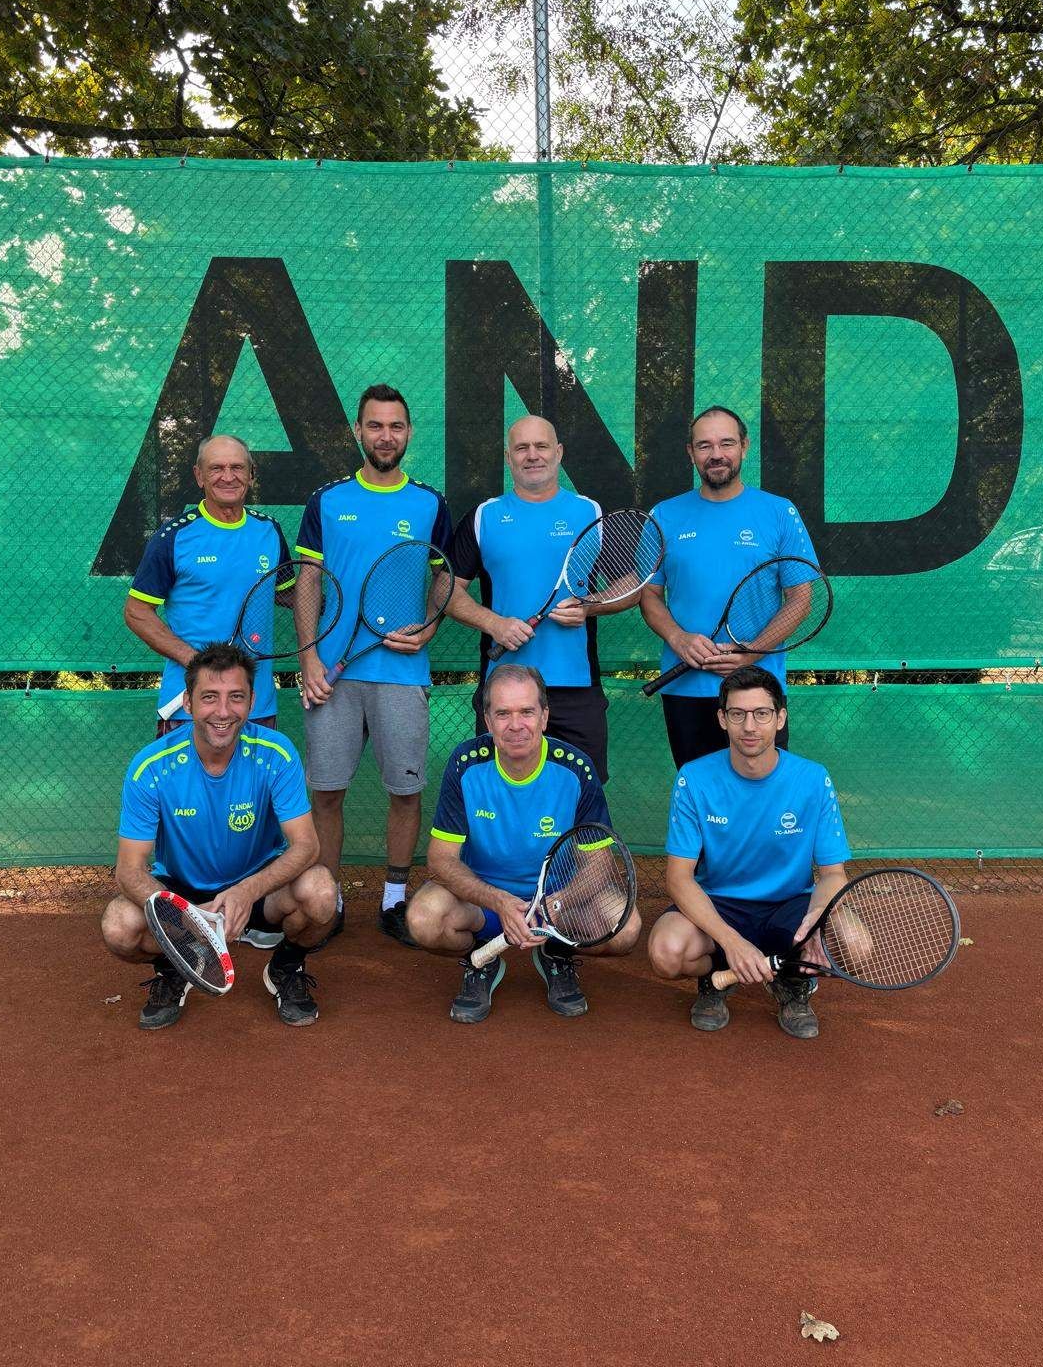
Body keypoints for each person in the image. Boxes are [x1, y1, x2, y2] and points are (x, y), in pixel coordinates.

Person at [100, 643, 339, 1030]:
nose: (224, 712)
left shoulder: (276, 753)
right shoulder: (151, 767)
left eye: (236, 698)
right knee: (119, 926)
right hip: (181, 891)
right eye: (210, 698)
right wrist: (186, 918)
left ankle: (285, 966)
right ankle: (176, 966)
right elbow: (129, 871)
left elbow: (307, 844)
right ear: (189, 703)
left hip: (260, 888)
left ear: (252, 702)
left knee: (322, 892)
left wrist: (247, 891)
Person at [296, 384, 452, 948]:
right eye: (375, 426)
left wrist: (431, 627)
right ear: (358, 432)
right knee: (327, 792)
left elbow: (444, 577)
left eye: (396, 426)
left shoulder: (431, 503)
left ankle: (393, 898)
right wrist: (310, 655)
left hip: (402, 675)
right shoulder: (328, 500)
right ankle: (328, 896)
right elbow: (308, 579)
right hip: (333, 674)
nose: (386, 436)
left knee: (404, 792)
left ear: (409, 433)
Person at [405, 664, 642, 1023]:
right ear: (487, 720)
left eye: (527, 712)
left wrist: (555, 905)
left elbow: (600, 863)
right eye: (503, 713)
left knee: (625, 930)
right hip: (482, 901)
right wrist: (498, 901)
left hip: (555, 907)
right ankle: (482, 958)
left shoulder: (576, 767)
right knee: (423, 919)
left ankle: (556, 953)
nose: (516, 725)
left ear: (544, 716)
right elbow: (441, 861)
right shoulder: (465, 764)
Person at [647, 666, 850, 1040]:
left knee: (854, 944)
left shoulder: (813, 778)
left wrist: (818, 919)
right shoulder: (694, 778)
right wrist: (731, 941)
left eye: (762, 714)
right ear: (722, 719)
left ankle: (791, 981)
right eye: (738, 714)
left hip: (791, 903)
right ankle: (716, 977)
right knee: (666, 951)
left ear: (780, 718)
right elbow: (678, 877)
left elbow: (833, 874)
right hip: (721, 903)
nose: (750, 727)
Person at [446, 415, 630, 782]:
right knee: (499, 794)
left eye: (542, 446)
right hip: (503, 688)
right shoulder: (484, 517)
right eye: (522, 448)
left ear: (558, 453)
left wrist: (590, 606)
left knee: (583, 801)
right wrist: (494, 624)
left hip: (576, 688)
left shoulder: (590, 512)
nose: (533, 455)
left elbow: (630, 584)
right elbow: (446, 592)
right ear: (507, 456)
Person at [640, 405, 819, 768]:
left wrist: (752, 652)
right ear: (691, 453)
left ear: (744, 447)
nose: (716, 454)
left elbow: (800, 599)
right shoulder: (664, 516)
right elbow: (649, 594)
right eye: (704, 446)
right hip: (685, 689)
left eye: (726, 443)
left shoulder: (779, 512)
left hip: (758, 689)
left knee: (762, 799)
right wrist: (678, 639)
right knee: (700, 797)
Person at [124, 434, 292, 734]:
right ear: (199, 476)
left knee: (254, 784)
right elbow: (136, 612)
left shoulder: (269, 531)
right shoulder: (173, 537)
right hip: (191, 707)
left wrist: (341, 603)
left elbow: (288, 594)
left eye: (238, 468)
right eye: (216, 468)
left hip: (257, 705)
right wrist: (196, 661)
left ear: (251, 474)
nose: (228, 477)